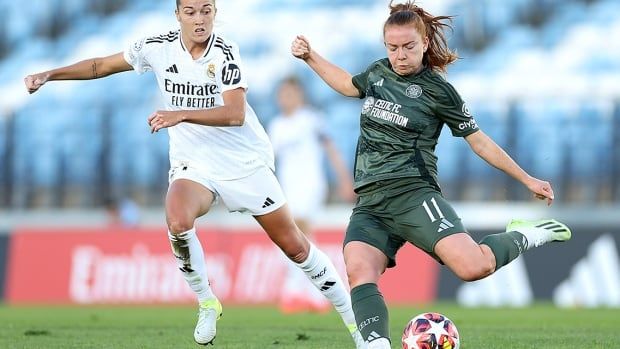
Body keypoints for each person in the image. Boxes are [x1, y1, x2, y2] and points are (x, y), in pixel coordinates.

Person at [24, 0, 364, 347]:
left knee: (295, 247)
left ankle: (355, 325)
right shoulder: (156, 47)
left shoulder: (226, 53)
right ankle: (206, 302)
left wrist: (180, 114)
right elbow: (100, 65)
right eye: (191, 12)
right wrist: (51, 74)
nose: (199, 19)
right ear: (178, 15)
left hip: (243, 164)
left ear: (215, 13)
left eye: (206, 10)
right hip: (194, 163)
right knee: (177, 220)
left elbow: (234, 113)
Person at [291, 1, 572, 348]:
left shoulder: (439, 91)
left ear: (424, 44)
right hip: (371, 202)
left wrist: (527, 178)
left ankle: (526, 235)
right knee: (359, 270)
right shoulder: (378, 73)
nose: (400, 55)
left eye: (408, 47)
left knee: (474, 268)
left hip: (414, 195)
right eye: (392, 48)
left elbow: (479, 142)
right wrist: (310, 57)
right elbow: (349, 85)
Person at [268, 76, 355, 314]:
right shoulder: (276, 126)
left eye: (290, 93)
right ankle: (313, 292)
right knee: (294, 238)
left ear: (300, 95)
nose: (286, 98)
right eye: (283, 94)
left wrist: (344, 180)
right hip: (287, 187)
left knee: (298, 230)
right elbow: (270, 162)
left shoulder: (311, 120)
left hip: (310, 185)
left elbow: (331, 150)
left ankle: (296, 291)